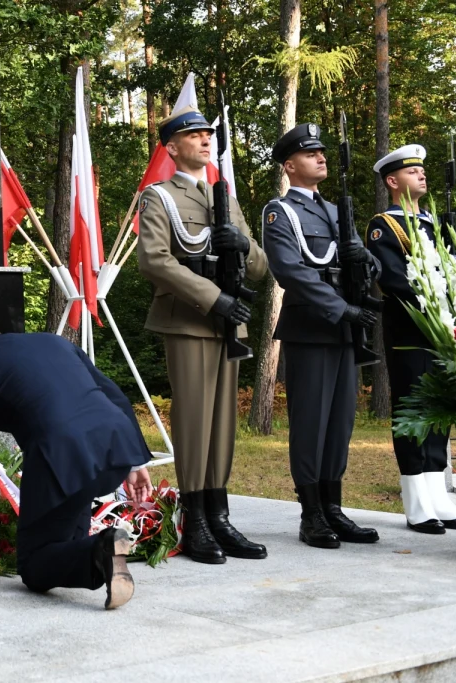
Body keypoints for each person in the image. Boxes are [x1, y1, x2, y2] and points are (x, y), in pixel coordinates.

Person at [0, 316, 152, 609]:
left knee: (33, 564)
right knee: (63, 539)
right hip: (112, 444)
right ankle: (102, 551)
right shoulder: (55, 342)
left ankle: (103, 547)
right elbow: (114, 395)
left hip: (59, 457)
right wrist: (136, 461)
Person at [136, 105, 269, 565]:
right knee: (195, 422)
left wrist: (244, 245)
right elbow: (154, 259)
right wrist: (213, 298)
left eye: (208, 134)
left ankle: (220, 515)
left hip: (229, 325)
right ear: (172, 148)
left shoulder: (226, 198)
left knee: (224, 424)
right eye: (193, 135)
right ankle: (194, 522)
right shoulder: (159, 197)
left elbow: (260, 266)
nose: (205, 139)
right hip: (191, 320)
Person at [261, 124, 382, 549]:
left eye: (322, 152)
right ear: (290, 165)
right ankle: (310, 513)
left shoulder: (336, 212)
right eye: (311, 153)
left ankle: (334, 507)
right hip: (312, 328)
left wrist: (365, 263)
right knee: (311, 422)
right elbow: (289, 271)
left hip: (345, 332)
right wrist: (340, 308)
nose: (321, 157)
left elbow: (366, 264)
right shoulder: (280, 212)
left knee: (341, 422)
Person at [366, 144, 456, 533]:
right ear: (393, 181)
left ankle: (439, 495)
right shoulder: (385, 225)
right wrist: (439, 293)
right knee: (412, 407)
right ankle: (416, 501)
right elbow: (393, 278)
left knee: (439, 408)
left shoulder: (435, 223)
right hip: (411, 328)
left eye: (423, 170)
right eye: (412, 172)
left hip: (443, 328)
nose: (422, 175)